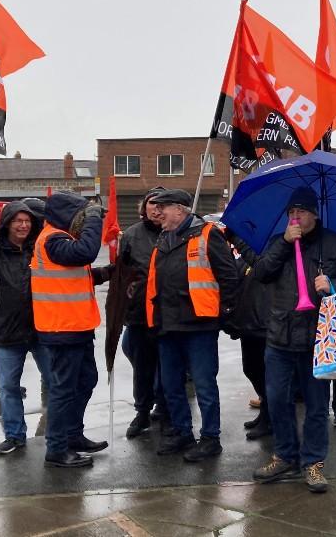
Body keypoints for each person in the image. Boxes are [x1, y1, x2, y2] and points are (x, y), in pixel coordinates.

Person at [250, 187, 336, 491]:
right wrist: (284, 245)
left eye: (301, 212)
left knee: (316, 405)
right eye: (291, 213)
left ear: (315, 214)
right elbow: (261, 273)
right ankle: (285, 454)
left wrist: (334, 284)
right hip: (280, 336)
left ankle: (312, 462)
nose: (295, 217)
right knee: (276, 399)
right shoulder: (279, 243)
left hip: (319, 338)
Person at [146, 189, 238, 462]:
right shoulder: (164, 238)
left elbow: (229, 277)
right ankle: (182, 431)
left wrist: (224, 313)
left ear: (180, 209)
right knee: (171, 385)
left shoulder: (208, 235)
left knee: (204, 384)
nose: (158, 213)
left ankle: (211, 438)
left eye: (163, 207)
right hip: (167, 325)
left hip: (199, 326)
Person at [32, 191, 106, 468]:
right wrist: (94, 219)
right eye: (80, 216)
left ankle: (72, 435)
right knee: (64, 390)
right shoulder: (53, 239)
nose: (82, 221)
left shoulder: (60, 240)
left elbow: (74, 276)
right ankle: (57, 448)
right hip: (62, 328)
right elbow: (85, 252)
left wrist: (108, 272)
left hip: (75, 327)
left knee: (86, 380)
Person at [0, 201, 50, 455]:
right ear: (7, 224)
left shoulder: (41, 250)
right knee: (8, 387)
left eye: (27, 221)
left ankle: (61, 431)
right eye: (17, 220)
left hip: (42, 330)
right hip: (8, 333)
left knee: (56, 381)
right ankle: (15, 436)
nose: (23, 225)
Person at [117, 187, 168, 438]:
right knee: (142, 368)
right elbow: (122, 273)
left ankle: (167, 410)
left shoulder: (176, 233)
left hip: (169, 314)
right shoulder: (131, 235)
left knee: (169, 367)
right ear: (144, 208)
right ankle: (142, 412)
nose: (157, 209)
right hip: (138, 314)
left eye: (162, 204)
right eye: (152, 204)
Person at [222, 230, 274, 440]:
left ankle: (270, 418)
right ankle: (265, 411)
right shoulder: (244, 260)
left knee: (265, 373)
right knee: (251, 369)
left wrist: (237, 238)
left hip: (265, 325)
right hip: (248, 325)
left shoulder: (269, 258)